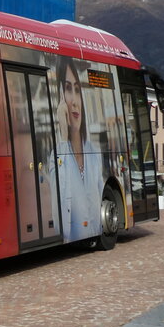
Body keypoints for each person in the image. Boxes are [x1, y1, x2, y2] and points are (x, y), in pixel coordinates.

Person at [55, 56, 103, 241]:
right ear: (60, 98)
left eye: (77, 89)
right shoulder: (57, 156)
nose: (74, 101)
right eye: (67, 89)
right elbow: (63, 223)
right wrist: (63, 137)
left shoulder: (94, 152)